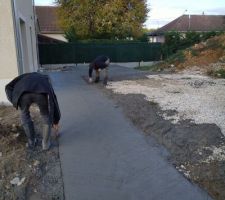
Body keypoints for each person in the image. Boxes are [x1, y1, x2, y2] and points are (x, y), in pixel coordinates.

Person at [5, 72, 61, 150]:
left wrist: (15, 102)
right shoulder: (44, 79)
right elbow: (53, 101)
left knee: (24, 115)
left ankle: (32, 141)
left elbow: (8, 87)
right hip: (40, 94)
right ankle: (45, 144)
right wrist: (56, 120)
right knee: (45, 115)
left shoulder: (23, 77)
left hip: (23, 94)